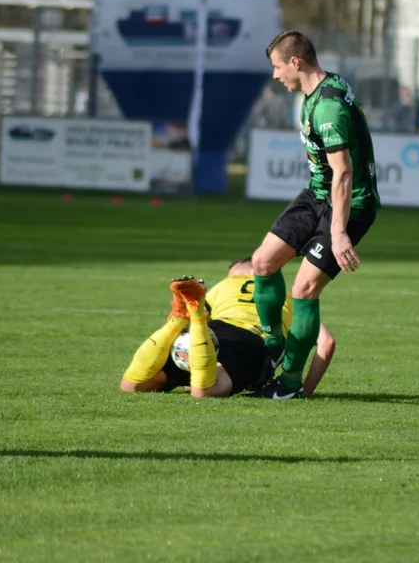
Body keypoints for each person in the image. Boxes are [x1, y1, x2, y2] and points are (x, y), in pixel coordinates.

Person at [251, 30, 380, 400]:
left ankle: (289, 385)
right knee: (262, 262)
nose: (275, 76)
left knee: (304, 288)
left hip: (350, 204)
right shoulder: (317, 91)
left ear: (296, 62)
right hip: (317, 195)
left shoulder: (328, 107)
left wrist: (338, 233)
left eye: (278, 67)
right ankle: (274, 345)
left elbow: (344, 173)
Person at [120, 259, 336, 398]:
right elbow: (327, 343)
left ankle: (181, 317)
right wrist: (305, 389)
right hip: (251, 341)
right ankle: (195, 316)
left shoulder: (221, 287)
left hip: (210, 333)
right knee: (202, 391)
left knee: (132, 386)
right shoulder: (286, 297)